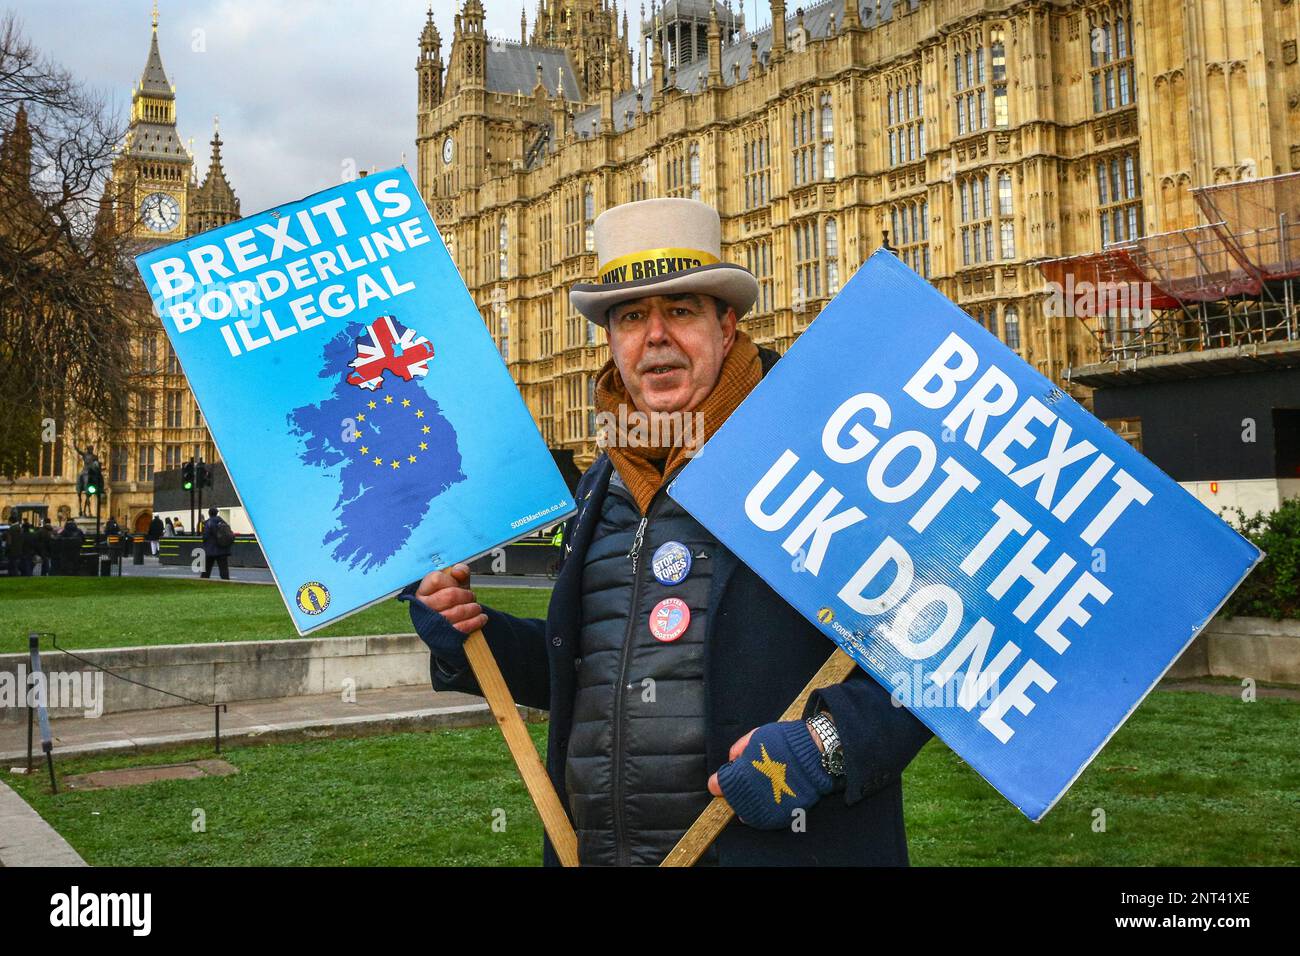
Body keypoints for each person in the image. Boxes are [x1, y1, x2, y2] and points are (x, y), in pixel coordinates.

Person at [402, 198, 933, 867]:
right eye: (631, 317)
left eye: (680, 311)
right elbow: (596, 672)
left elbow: (942, 645)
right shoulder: (603, 479)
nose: (654, 335)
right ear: (612, 341)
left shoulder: (822, 454)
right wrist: (472, 637)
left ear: (727, 326)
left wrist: (829, 743)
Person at [200, 507, 231, 580]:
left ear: (209, 513)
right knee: (224, 568)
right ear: (217, 513)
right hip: (223, 548)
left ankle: (203, 580)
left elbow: (205, 536)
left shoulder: (208, 523)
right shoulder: (223, 522)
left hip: (211, 549)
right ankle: (226, 581)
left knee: (206, 568)